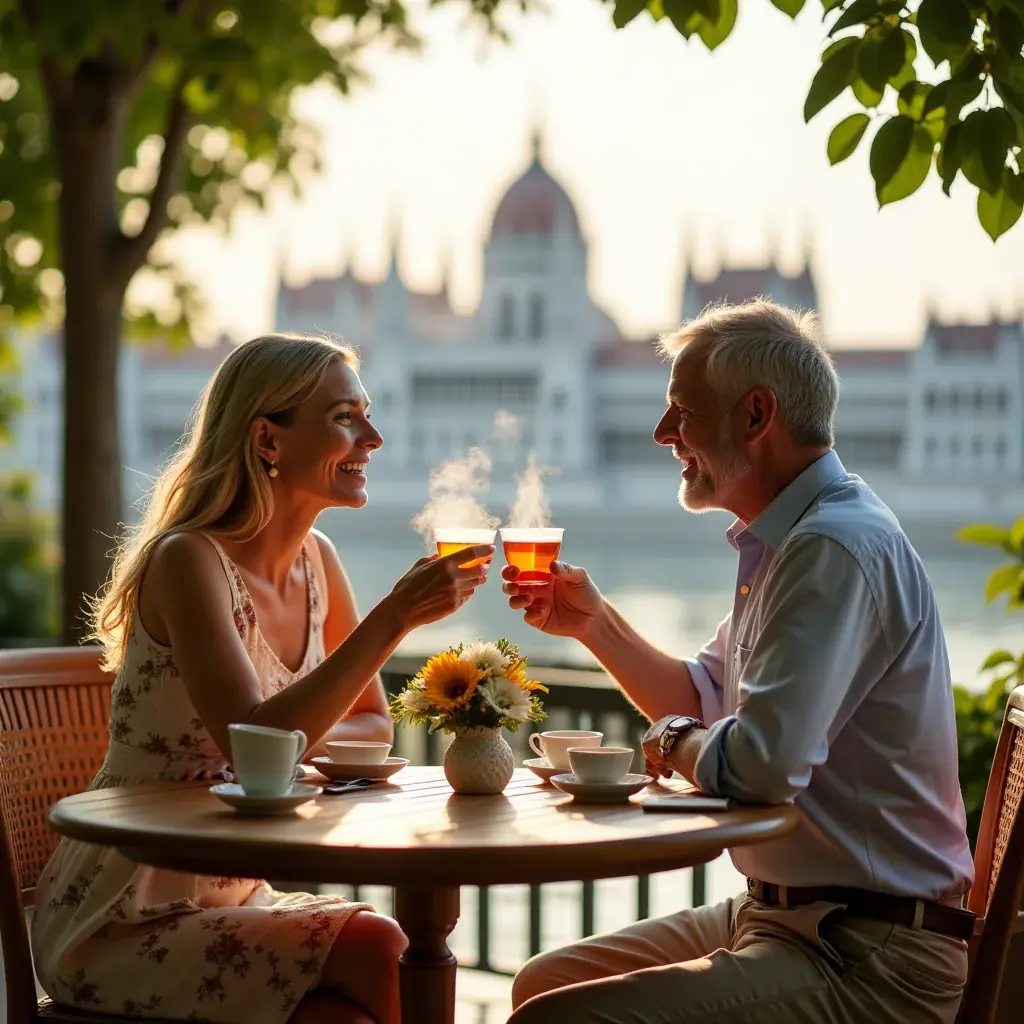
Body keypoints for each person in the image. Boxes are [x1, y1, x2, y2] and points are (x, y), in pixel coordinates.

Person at [502, 300, 975, 1023]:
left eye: (681, 412)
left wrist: (668, 742)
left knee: (556, 1017)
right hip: (786, 914)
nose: (663, 435)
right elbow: (702, 691)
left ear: (757, 416)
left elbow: (759, 767)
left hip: (869, 950)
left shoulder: (832, 548)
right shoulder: (792, 541)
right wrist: (594, 624)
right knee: (539, 983)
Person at [32, 333, 494, 1024]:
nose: (373, 435)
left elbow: (370, 721)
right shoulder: (189, 560)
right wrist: (392, 619)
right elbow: (253, 748)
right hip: (125, 912)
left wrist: (302, 752)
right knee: (380, 947)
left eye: (366, 413)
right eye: (345, 417)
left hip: (235, 895)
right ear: (267, 440)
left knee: (356, 1004)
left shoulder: (320, 561)